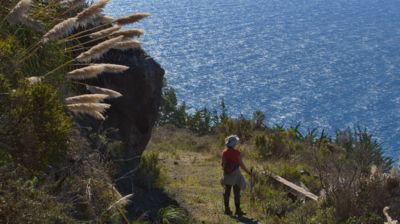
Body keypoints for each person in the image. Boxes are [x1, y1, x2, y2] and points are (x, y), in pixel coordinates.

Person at [220, 134, 252, 217]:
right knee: (237, 192)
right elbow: (241, 164)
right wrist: (248, 172)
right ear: (234, 144)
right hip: (236, 174)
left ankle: (227, 210)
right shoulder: (237, 153)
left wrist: (223, 176)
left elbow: (223, 165)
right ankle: (238, 210)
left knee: (227, 192)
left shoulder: (224, 152)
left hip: (227, 173)